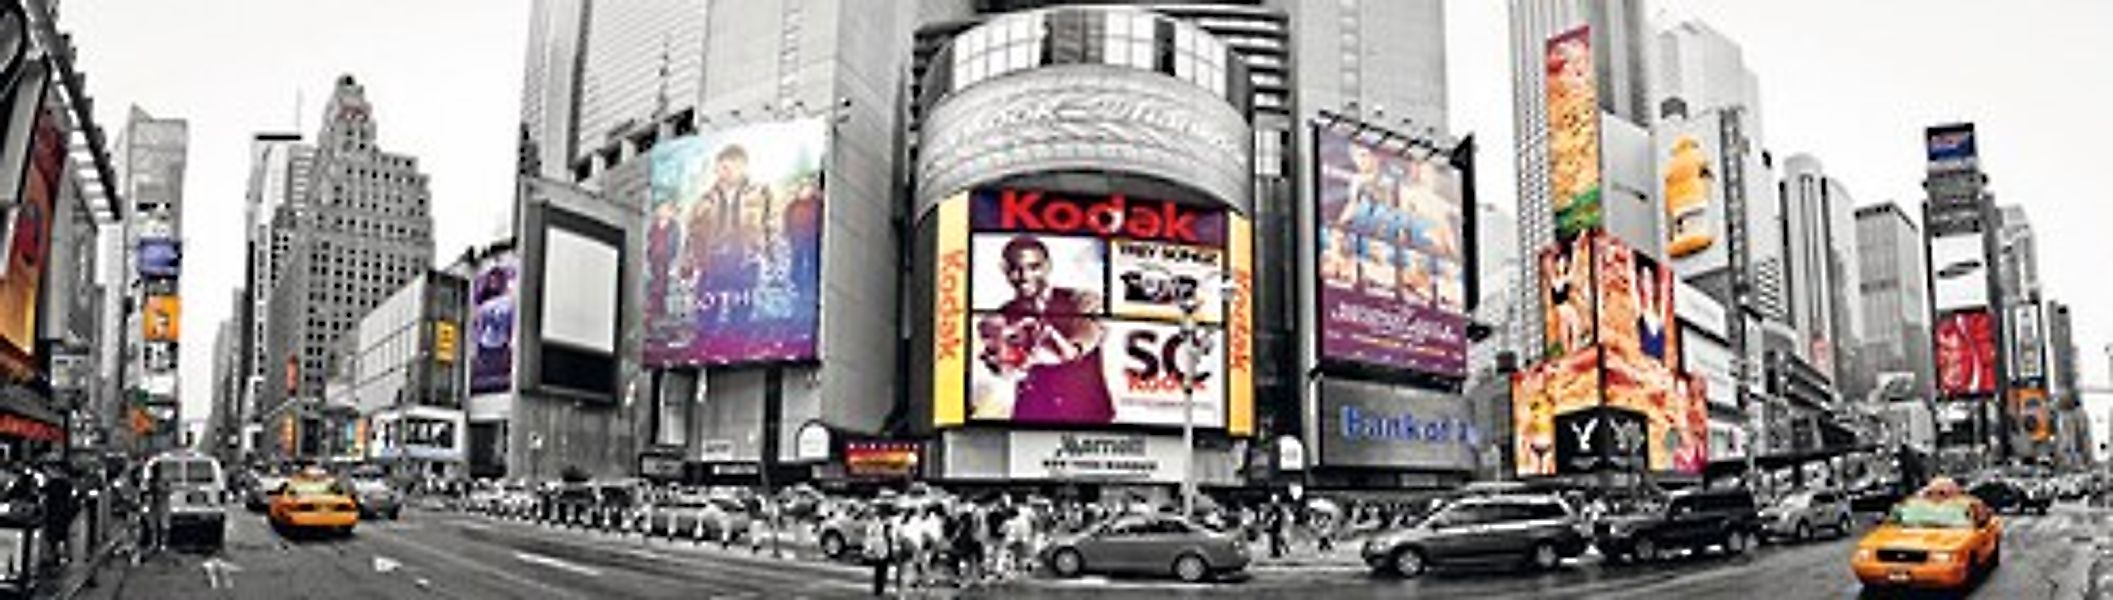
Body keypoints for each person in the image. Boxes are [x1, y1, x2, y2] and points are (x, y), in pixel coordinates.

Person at [975, 236, 1112, 423]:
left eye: (1034, 267)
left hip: (1088, 419)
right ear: (1004, 269)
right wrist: (1004, 364)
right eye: (1016, 269)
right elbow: (1002, 366)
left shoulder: (1079, 301)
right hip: (1032, 419)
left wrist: (1060, 344)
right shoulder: (1002, 316)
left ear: (1047, 266)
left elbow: (1086, 338)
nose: (1025, 276)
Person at [864, 506, 895, 597]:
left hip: (887, 547)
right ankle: (878, 590)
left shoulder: (890, 522)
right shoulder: (874, 522)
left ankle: (881, 588)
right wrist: (868, 548)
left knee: (884, 569)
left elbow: (891, 536)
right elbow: (869, 535)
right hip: (879, 547)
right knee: (879, 569)